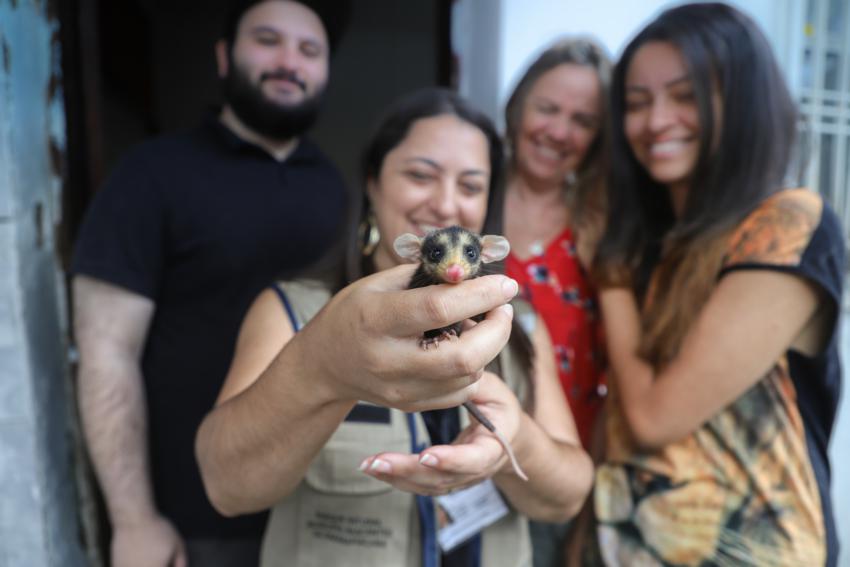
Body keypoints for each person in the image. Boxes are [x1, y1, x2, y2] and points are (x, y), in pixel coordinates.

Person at [195, 88, 594, 567]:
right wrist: (321, 367)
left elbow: (568, 497)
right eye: (421, 175)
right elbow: (226, 486)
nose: (446, 205)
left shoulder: (519, 320)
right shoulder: (292, 310)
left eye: (470, 186)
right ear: (372, 182)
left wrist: (517, 438)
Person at [71, 1, 348, 565]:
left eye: (308, 50)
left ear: (324, 72)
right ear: (225, 57)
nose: (288, 62)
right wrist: (134, 519)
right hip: (191, 526)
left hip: (323, 517)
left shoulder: (335, 191)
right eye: (267, 40)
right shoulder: (152, 175)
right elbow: (106, 353)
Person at [591, 3, 844, 566]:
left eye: (686, 96)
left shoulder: (788, 222)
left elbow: (657, 417)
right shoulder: (654, 244)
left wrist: (608, 274)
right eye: (636, 103)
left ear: (744, 102)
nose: (656, 120)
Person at [501, 37, 611, 567]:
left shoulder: (600, 227)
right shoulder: (467, 196)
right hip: (459, 460)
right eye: (547, 109)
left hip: (560, 477)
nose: (559, 132)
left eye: (582, 120)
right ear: (519, 105)